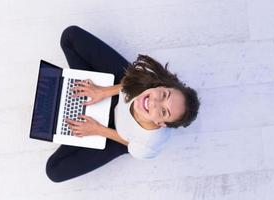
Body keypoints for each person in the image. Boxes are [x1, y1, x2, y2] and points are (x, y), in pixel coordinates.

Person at [46, 26, 200, 182]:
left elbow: (129, 144)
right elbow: (129, 82)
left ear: (161, 123)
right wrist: (102, 92)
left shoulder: (148, 145)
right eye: (164, 94)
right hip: (121, 90)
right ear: (164, 85)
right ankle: (81, 91)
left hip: (119, 135)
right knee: (70, 36)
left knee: (55, 170)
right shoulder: (152, 78)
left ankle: (82, 99)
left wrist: (98, 129)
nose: (154, 102)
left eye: (163, 111)